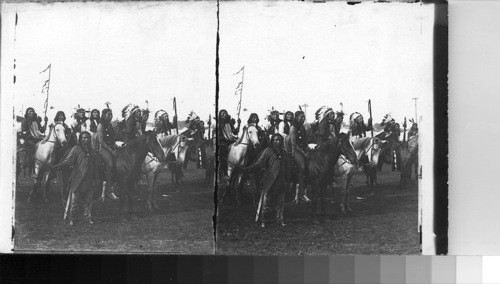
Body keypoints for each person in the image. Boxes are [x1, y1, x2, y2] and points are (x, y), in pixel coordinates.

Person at [52, 131, 99, 225]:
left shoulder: (93, 151)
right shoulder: (76, 149)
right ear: (80, 140)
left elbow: (96, 167)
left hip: (89, 179)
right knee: (74, 202)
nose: (86, 139)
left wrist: (96, 179)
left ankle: (87, 217)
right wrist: (59, 166)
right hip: (78, 179)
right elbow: (68, 161)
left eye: (88, 138)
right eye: (84, 138)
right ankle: (72, 218)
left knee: (88, 201)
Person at [244, 133, 290, 227]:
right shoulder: (268, 151)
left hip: (281, 181)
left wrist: (288, 180)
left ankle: (279, 219)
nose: (278, 142)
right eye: (276, 140)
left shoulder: (285, 153)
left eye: (280, 140)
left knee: (280, 202)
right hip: (270, 180)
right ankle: (263, 220)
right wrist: (250, 168)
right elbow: (259, 163)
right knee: (266, 202)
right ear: (272, 142)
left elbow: (288, 167)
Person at [96, 108, 118, 200]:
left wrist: (116, 147)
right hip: (104, 148)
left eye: (111, 115)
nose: (110, 116)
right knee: (110, 164)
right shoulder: (100, 125)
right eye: (108, 115)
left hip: (111, 147)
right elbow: (101, 142)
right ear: (104, 115)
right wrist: (111, 151)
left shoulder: (110, 125)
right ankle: (109, 190)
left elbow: (112, 139)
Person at [288, 110, 310, 203]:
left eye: (304, 117)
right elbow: (294, 144)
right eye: (301, 117)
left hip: (303, 150)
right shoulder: (293, 128)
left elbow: (304, 141)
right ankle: (301, 193)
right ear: (297, 118)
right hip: (296, 151)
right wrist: (303, 153)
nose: (303, 119)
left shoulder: (302, 127)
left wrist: (308, 149)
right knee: (302, 166)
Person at [218, 109, 238, 178]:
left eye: (225, 114)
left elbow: (235, 132)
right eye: (222, 114)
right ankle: (225, 172)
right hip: (223, 141)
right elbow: (219, 135)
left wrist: (239, 124)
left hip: (231, 140)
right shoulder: (219, 124)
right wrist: (224, 138)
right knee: (223, 154)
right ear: (220, 116)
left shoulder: (230, 123)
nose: (224, 115)